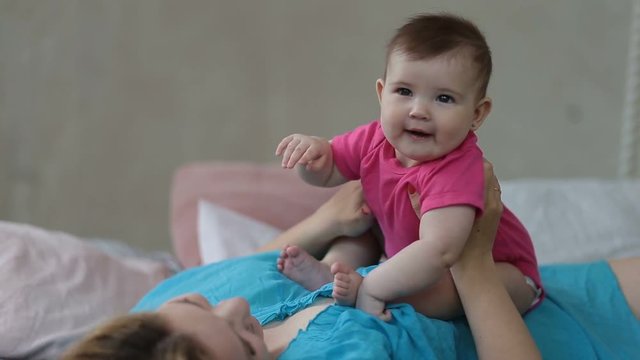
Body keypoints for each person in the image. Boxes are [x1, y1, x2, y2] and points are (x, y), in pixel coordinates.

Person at [61, 163, 640, 359]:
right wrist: (470, 255)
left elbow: (247, 276)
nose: (235, 306)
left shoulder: (150, 327)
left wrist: (326, 223)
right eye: (242, 341)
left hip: (551, 288)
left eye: (196, 304)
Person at [274, 13, 541, 320]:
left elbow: (438, 251)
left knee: (445, 289)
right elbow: (330, 170)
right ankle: (329, 273)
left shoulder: (459, 168)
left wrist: (374, 287)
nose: (418, 111)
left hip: (500, 270)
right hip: (404, 250)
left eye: (443, 98)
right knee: (360, 229)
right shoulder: (374, 139)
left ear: (477, 114)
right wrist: (312, 157)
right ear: (381, 93)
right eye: (404, 92)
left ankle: (363, 286)